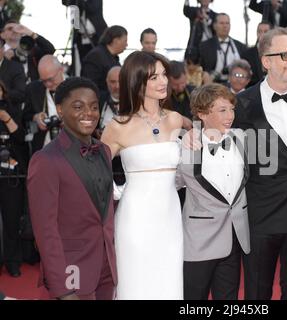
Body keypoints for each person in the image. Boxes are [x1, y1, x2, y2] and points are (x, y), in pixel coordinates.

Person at [235, 27, 287, 300]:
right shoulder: (241, 103)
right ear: (266, 61)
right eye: (285, 55)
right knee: (257, 293)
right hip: (261, 215)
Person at [101, 51, 184, 300]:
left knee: (169, 284)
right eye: (154, 77)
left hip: (170, 219)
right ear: (137, 82)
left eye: (164, 75)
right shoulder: (118, 126)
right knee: (136, 285)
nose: (163, 82)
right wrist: (119, 191)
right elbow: (95, 170)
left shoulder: (176, 119)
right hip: (135, 219)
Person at [27, 77, 117, 300]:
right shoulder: (46, 160)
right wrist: (62, 288)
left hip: (107, 268)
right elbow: (45, 231)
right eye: (78, 106)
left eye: (94, 107)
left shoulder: (104, 151)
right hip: (72, 272)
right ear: (60, 110)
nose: (89, 113)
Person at [177, 83, 250, 300]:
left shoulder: (242, 139)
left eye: (231, 109)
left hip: (235, 237)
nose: (230, 116)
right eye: (222, 110)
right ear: (202, 114)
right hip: (200, 241)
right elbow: (172, 184)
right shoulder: (184, 145)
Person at [0, 80, 27, 278]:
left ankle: (12, 261)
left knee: (11, 220)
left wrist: (6, 118)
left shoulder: (13, 110)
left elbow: (21, 139)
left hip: (12, 175)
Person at [22, 55, 66, 154]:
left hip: (72, 147)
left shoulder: (78, 87)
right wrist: (36, 118)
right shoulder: (33, 89)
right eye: (43, 81)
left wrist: (71, 122)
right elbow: (25, 116)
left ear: (61, 70)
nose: (48, 84)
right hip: (44, 148)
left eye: (51, 79)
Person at [198, 13, 247, 84]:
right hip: (212, 85)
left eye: (227, 23)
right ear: (214, 26)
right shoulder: (204, 46)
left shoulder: (241, 46)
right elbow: (201, 69)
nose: (225, 26)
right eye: (221, 23)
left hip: (235, 86)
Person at [81, 25, 127, 93]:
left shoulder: (113, 58)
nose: (127, 44)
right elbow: (90, 84)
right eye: (125, 41)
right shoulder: (95, 56)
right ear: (116, 40)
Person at [242, 21, 272, 87]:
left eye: (265, 31)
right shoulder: (247, 54)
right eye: (259, 31)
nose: (262, 34)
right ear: (256, 33)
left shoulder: (276, 52)